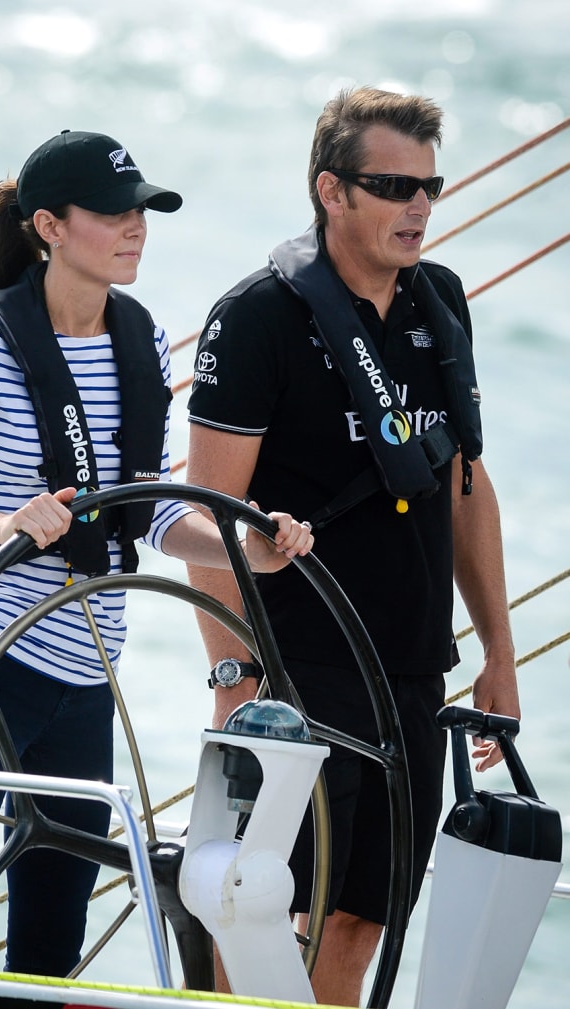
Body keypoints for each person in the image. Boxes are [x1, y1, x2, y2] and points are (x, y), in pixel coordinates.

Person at [0, 129, 314, 977]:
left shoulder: (142, 341)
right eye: (113, 213)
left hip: (87, 684)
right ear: (47, 225)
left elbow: (151, 521)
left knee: (52, 947)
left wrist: (255, 550)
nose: (135, 228)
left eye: (142, 212)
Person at [185, 87, 520, 1007]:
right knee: (255, 901)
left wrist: (498, 653)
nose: (418, 206)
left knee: (365, 914)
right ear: (331, 191)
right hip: (295, 667)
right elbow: (206, 519)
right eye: (392, 185)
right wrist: (232, 681)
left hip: (410, 666)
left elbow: (464, 486)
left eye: (430, 186)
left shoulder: (439, 301)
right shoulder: (255, 318)